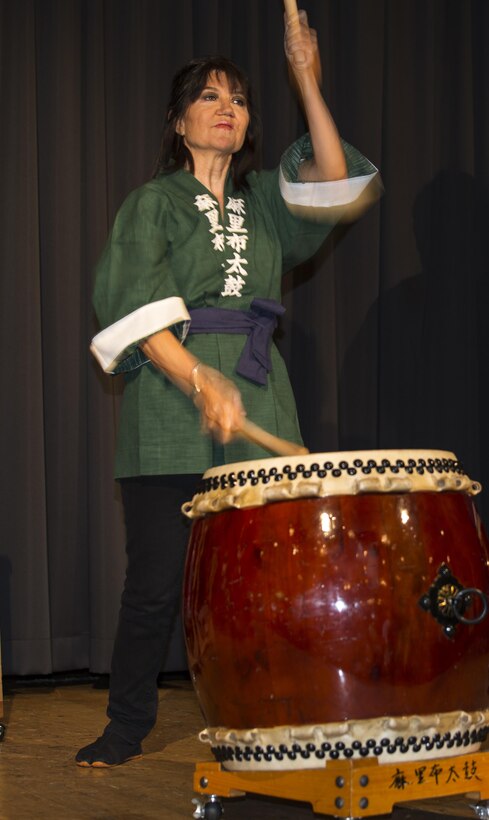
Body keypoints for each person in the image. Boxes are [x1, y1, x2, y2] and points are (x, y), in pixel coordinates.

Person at [76, 10, 379, 767]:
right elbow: (135, 306)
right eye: (208, 97)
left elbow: (335, 177)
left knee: (263, 577)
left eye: (238, 100)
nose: (226, 108)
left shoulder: (265, 206)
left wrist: (304, 76)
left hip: (259, 394)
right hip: (167, 409)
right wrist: (199, 376)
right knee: (154, 584)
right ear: (180, 122)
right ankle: (126, 726)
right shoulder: (152, 203)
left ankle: (268, 715)